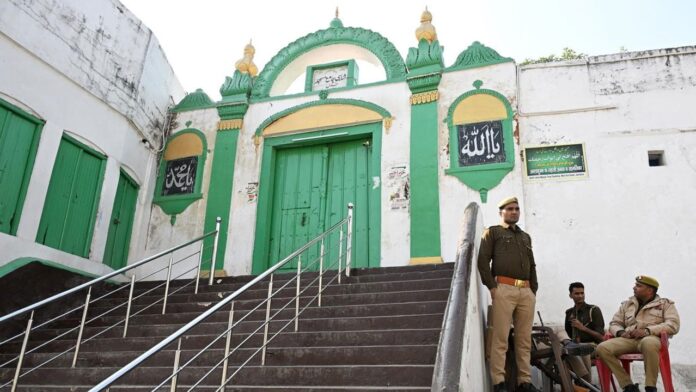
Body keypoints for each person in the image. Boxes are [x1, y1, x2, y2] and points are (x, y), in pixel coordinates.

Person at [478, 196, 539, 392]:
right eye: (510, 209)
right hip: (503, 288)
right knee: (500, 338)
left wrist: (533, 290)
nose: (514, 212)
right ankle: (499, 382)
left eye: (517, 209)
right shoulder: (493, 232)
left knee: (524, 339)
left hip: (526, 291)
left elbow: (532, 264)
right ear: (501, 212)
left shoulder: (525, 237)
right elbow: (483, 261)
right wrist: (492, 287)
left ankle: (525, 381)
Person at [596, 275, 680, 392]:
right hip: (629, 339)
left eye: (638, 286)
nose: (634, 288)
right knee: (602, 348)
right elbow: (615, 323)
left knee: (648, 343)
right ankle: (628, 386)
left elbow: (673, 325)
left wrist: (647, 331)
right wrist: (621, 332)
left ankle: (650, 387)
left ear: (650, 290)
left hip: (652, 338)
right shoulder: (627, 304)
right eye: (635, 285)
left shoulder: (665, 304)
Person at [563, 282, 605, 384]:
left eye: (582, 293)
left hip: (594, 347)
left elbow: (601, 337)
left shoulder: (594, 310)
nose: (580, 296)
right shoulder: (569, 313)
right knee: (565, 355)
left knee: (582, 351)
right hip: (574, 347)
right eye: (577, 294)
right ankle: (580, 386)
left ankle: (585, 384)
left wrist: (583, 328)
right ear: (570, 296)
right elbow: (568, 334)